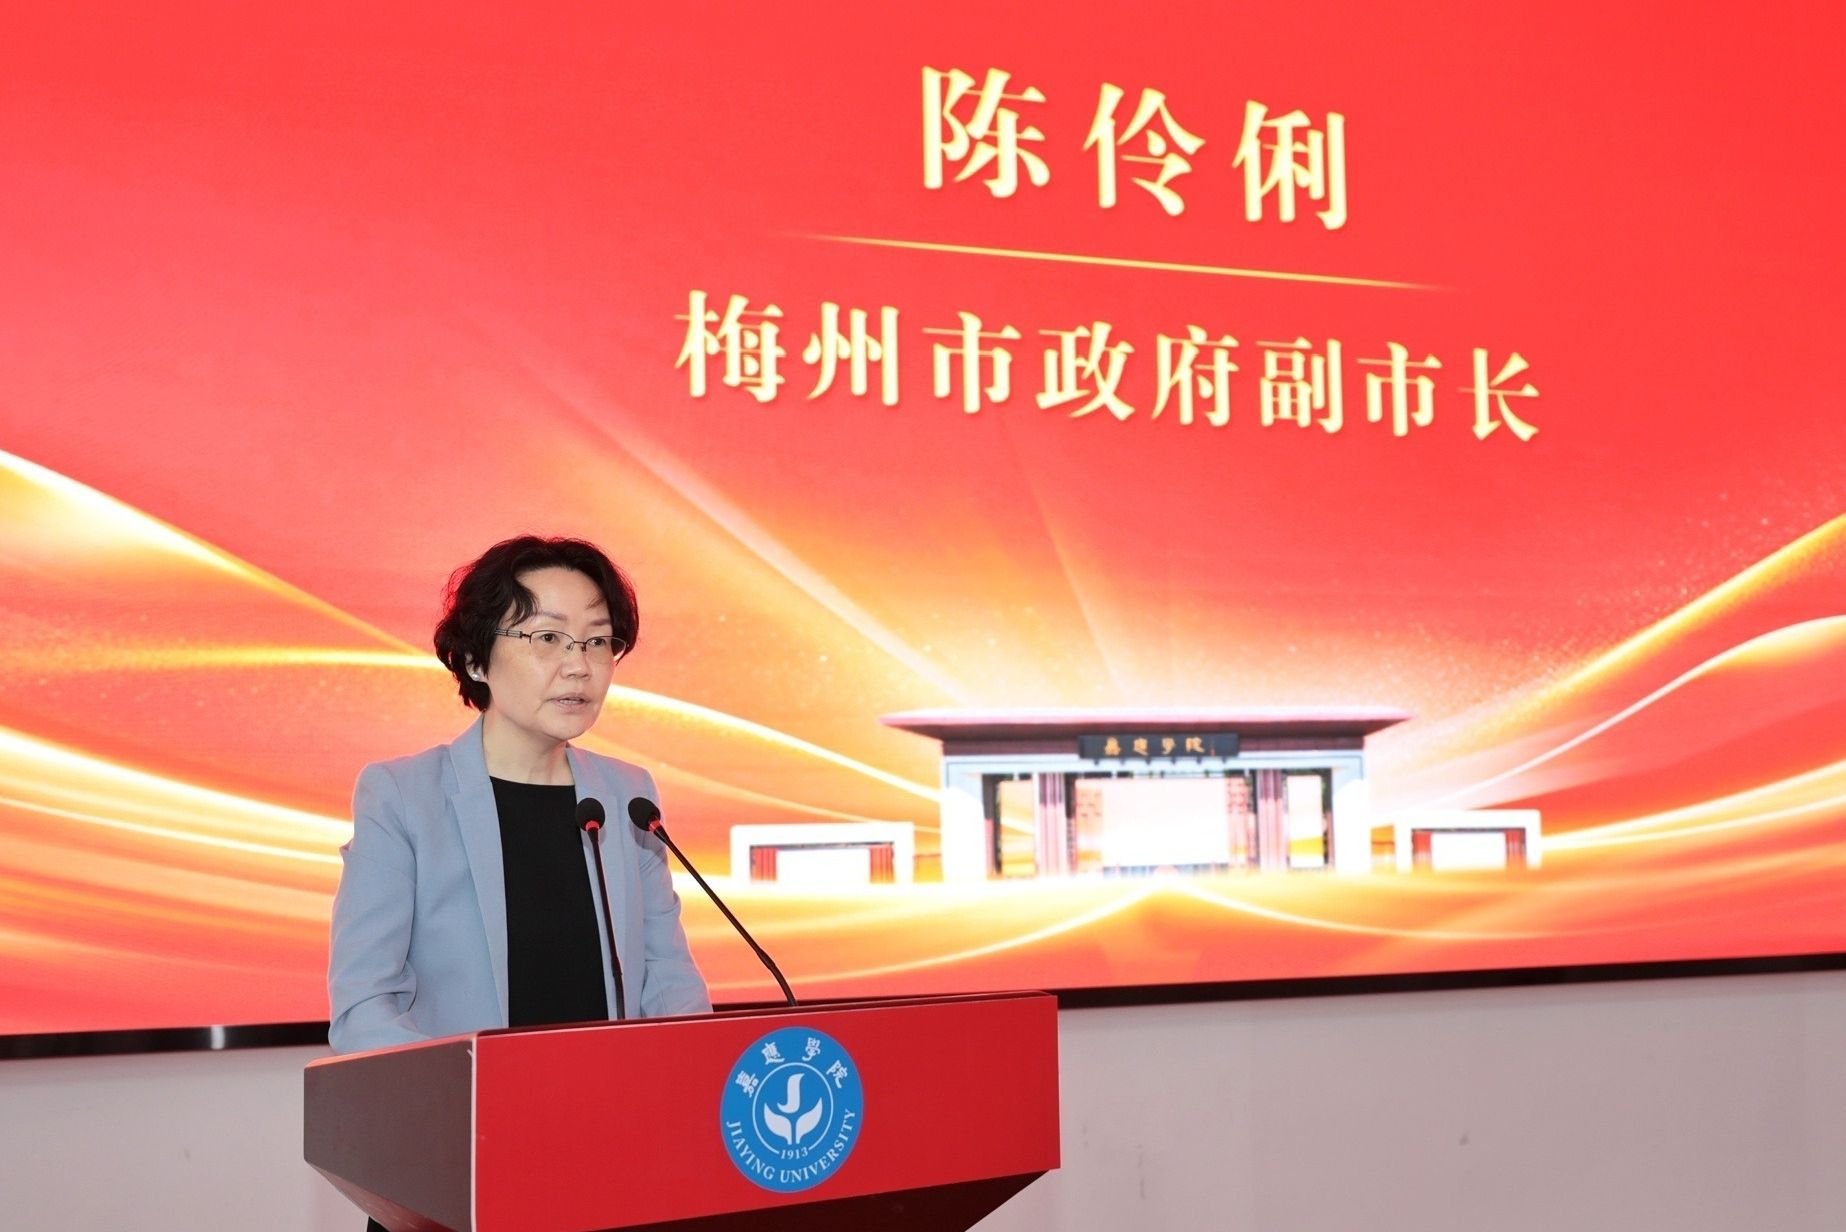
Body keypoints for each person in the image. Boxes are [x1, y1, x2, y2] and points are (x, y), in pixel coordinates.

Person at [328, 535, 710, 1059]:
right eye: (548, 637)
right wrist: (481, 1084)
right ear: (476, 660)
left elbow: (669, 983)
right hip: (471, 1104)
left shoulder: (628, 797)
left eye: (598, 641)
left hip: (612, 1099)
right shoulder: (403, 797)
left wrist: (696, 1063)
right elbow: (364, 1010)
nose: (579, 666)